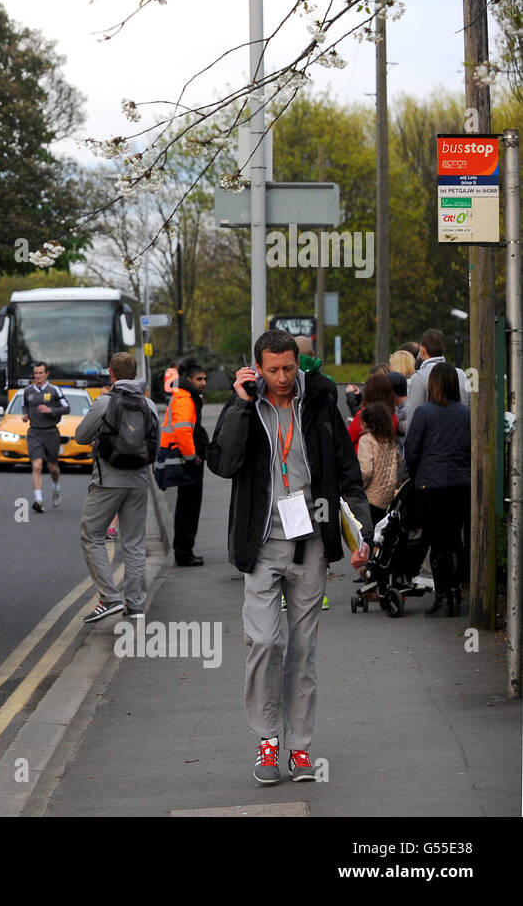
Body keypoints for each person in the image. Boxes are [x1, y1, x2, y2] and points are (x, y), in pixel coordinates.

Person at [207, 330, 370, 785]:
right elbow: (222, 464)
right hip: (260, 545)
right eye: (272, 370)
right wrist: (240, 405)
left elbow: (347, 470)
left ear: (299, 363)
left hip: (310, 543)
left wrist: (363, 533)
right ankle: (266, 740)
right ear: (256, 368)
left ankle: (299, 748)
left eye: (288, 368)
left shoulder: (320, 401)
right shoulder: (245, 405)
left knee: (302, 648)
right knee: (264, 642)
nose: (281, 378)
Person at [77, 352, 159, 622]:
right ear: (135, 374)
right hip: (138, 481)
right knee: (134, 543)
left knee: (92, 535)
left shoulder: (104, 402)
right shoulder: (149, 404)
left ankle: (109, 597)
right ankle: (135, 606)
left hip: (108, 481)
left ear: (111, 373)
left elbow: (81, 437)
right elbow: (154, 440)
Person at [405, 362, 471, 617]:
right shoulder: (465, 413)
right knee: (456, 540)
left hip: (431, 485)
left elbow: (412, 448)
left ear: (432, 385)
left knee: (436, 542)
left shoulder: (424, 413)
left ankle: (442, 593)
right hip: (460, 485)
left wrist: (415, 473)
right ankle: (456, 590)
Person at [164, 362, 208, 566]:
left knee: (188, 508)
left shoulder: (188, 397)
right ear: (189, 380)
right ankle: (184, 552)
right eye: (199, 379)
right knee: (188, 509)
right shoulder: (184, 399)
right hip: (187, 462)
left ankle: (185, 550)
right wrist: (192, 457)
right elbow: (182, 431)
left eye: (205, 379)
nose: (204, 382)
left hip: (188, 460)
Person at [22, 362, 70, 512]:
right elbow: (25, 406)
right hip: (34, 432)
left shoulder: (54, 390)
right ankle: (39, 500)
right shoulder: (28, 390)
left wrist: (50, 410)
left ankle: (56, 487)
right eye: (36, 373)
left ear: (47, 374)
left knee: (53, 467)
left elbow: (66, 408)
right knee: (36, 465)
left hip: (51, 432)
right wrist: (25, 415)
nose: (38, 376)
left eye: (41, 373)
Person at [357, 401, 400, 528]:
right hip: (387, 500)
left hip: (370, 498)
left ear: (365, 423)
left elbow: (365, 471)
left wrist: (358, 488)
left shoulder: (366, 440)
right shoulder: (390, 441)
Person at [407, 329, 470, 412]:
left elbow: (413, 416)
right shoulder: (462, 375)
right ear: (444, 349)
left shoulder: (419, 378)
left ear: (423, 350)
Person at [346, 371, 400, 452]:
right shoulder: (393, 416)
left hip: (364, 460)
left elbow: (348, 438)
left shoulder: (364, 416)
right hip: (387, 462)